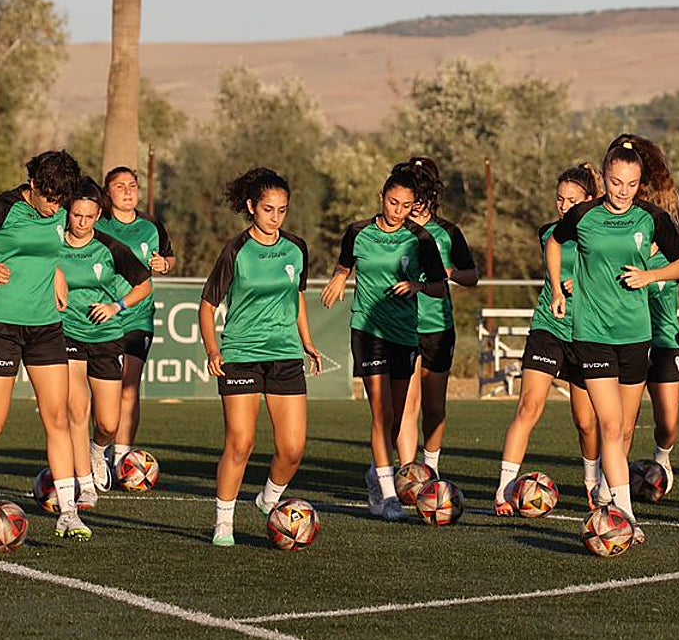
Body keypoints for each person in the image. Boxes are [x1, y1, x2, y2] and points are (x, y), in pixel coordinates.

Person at [548, 137, 679, 545]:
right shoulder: (583, 215)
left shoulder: (652, 218)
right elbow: (555, 243)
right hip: (591, 334)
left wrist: (650, 277)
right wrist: (559, 290)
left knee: (626, 430)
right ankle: (625, 514)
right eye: (615, 182)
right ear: (604, 177)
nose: (623, 191)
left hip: (635, 336)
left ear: (639, 182)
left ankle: (610, 494)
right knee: (609, 425)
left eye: (631, 184)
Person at [0, 150, 87, 543]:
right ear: (34, 186)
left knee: (57, 417)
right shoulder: (1, 207)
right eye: (50, 198)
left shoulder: (59, 209)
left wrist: (56, 271)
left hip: (45, 327)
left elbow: (48, 251)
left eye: (61, 200)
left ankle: (69, 512)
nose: (55, 207)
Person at [199, 168, 322, 546]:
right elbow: (207, 305)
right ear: (251, 207)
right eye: (269, 209)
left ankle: (269, 499)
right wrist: (213, 349)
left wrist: (308, 341)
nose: (275, 218)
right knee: (241, 442)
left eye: (282, 210)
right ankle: (224, 521)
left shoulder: (296, 247)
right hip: (240, 353)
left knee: (293, 448)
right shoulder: (235, 251)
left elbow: (295, 296)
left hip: (284, 353)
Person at [321, 162, 448, 522]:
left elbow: (439, 286)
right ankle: (388, 493)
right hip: (368, 330)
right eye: (393, 203)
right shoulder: (358, 232)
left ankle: (375, 471)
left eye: (405, 206)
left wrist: (418, 286)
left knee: (393, 417)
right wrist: (338, 279)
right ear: (382, 197)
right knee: (381, 411)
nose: (398, 212)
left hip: (405, 334)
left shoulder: (420, 239)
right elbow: (345, 264)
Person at [494, 164, 602, 514]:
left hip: (587, 332)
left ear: (589, 199)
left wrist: (585, 285)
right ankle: (504, 490)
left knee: (586, 422)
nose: (564, 205)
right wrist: (562, 287)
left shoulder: (602, 233)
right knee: (529, 407)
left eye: (572, 199)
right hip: (549, 327)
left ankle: (591, 485)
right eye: (559, 198)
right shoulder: (548, 233)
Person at [620, 133, 679, 494]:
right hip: (628, 339)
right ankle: (615, 484)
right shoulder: (626, 254)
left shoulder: (674, 261)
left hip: (664, 342)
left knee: (668, 423)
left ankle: (662, 457)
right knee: (624, 423)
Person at [59, 178, 153, 507]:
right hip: (66, 332)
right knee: (75, 408)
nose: (82, 223)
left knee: (108, 423)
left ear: (98, 216)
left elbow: (145, 286)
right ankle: (84, 485)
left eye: (88, 217)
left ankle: (97, 451)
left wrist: (117, 306)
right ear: (68, 213)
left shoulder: (110, 247)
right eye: (76, 216)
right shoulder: (53, 243)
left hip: (105, 338)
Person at [399, 156, 479, 476]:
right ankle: (408, 474)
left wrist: (448, 273)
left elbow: (472, 276)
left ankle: (430, 471)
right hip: (400, 328)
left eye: (423, 194)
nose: (416, 203)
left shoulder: (447, 232)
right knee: (407, 405)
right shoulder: (393, 230)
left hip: (437, 326)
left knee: (434, 408)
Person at [95, 167, 176, 475]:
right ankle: (99, 451)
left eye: (133, 185)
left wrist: (164, 265)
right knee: (105, 389)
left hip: (138, 316)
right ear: (108, 193)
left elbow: (169, 258)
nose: (128, 191)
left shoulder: (151, 225)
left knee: (129, 387)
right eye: (120, 186)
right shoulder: (98, 225)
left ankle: (121, 459)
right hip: (102, 317)